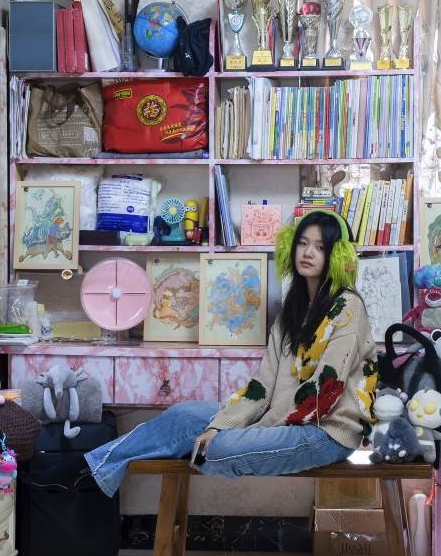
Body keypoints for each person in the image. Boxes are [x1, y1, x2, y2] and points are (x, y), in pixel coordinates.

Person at [83, 211, 377, 496]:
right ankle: (96, 468)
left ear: (338, 255)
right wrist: (222, 424)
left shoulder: (347, 307)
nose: (308, 252)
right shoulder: (292, 310)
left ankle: (203, 452)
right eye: (302, 243)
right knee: (183, 415)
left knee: (220, 447)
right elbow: (263, 385)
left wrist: (246, 429)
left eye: (320, 247)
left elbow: (324, 391)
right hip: (279, 417)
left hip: (325, 432)